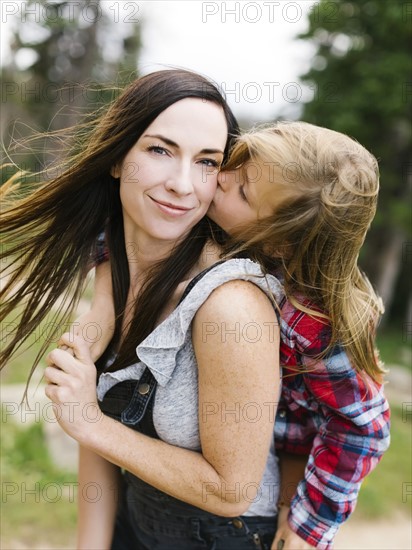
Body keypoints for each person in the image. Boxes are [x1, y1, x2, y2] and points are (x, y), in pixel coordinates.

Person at [0, 69, 285, 550]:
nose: (182, 184)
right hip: (135, 525)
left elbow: (232, 490)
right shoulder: (113, 263)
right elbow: (99, 428)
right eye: (160, 150)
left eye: (207, 162)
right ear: (117, 158)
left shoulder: (230, 307)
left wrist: (87, 420)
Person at [87, 121, 391, 549]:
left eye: (244, 191)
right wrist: (104, 296)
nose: (221, 179)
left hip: (243, 513)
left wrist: (309, 524)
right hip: (151, 511)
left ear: (280, 243)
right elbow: (126, 225)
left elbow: (362, 427)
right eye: (238, 160)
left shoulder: (312, 319)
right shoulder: (221, 226)